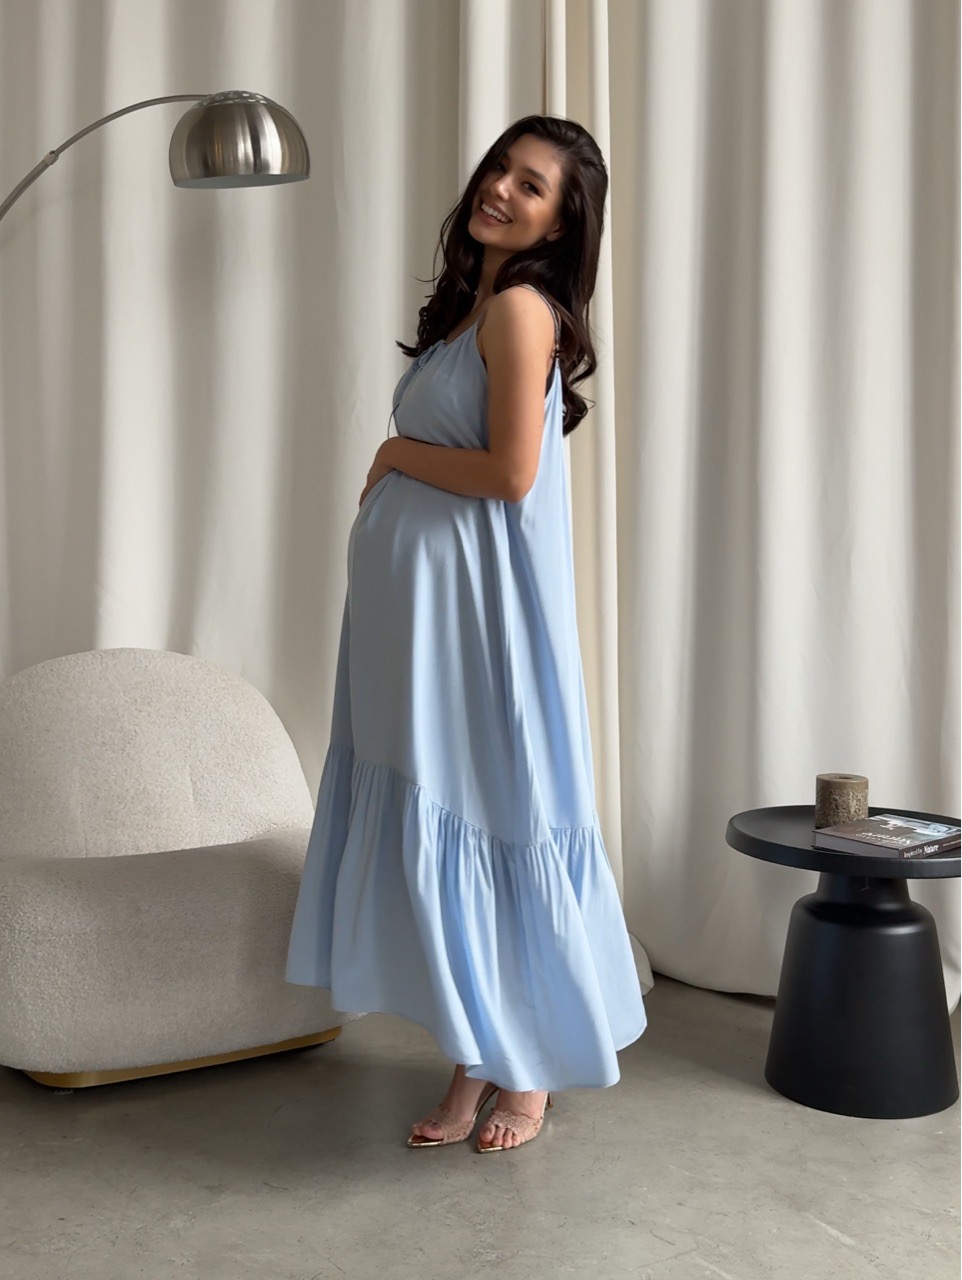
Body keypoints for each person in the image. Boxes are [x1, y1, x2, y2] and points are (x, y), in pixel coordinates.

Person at [285, 115, 646, 1153]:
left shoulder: (522, 310)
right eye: (500, 168)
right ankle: (475, 1054)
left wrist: (396, 451)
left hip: (478, 625)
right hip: (418, 630)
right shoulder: (471, 308)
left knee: (494, 811)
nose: (501, 189)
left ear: (559, 222)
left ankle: (525, 1071)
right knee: (455, 808)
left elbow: (509, 473)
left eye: (531, 186)